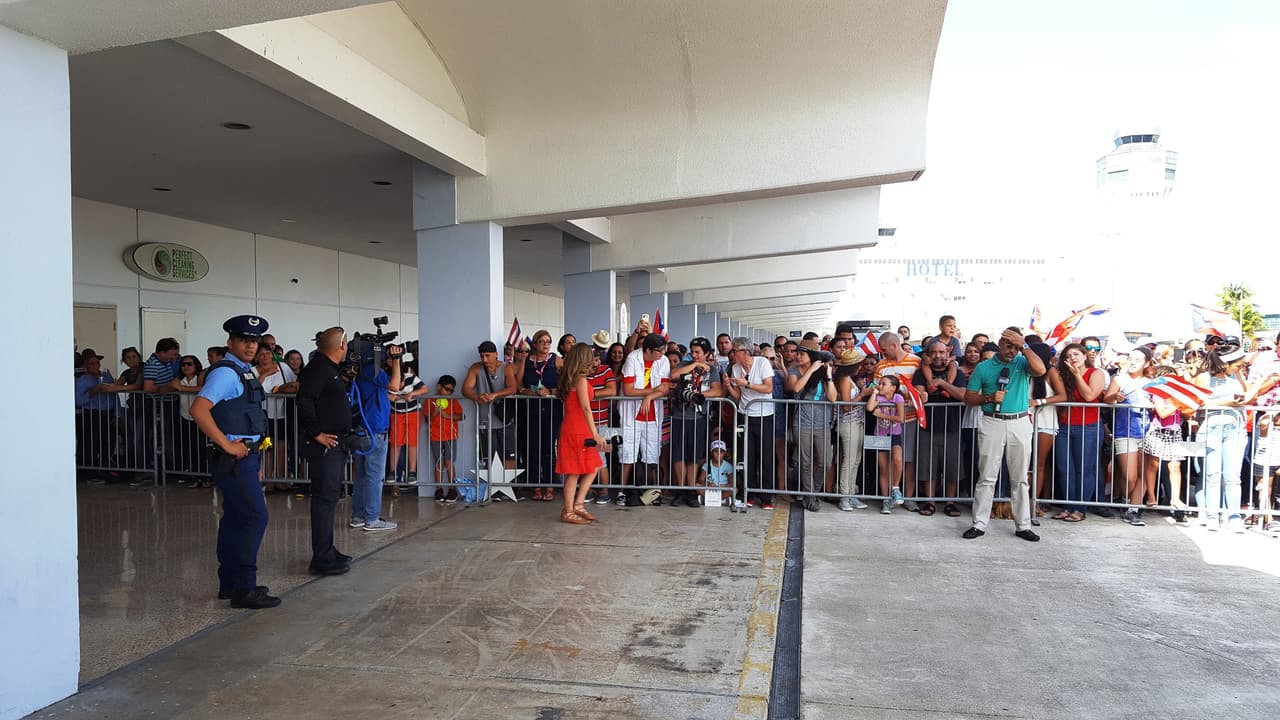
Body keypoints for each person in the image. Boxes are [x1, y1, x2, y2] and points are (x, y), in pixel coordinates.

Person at [188, 315, 280, 608]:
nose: (251, 346)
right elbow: (199, 409)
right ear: (231, 342)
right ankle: (244, 589)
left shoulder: (244, 371)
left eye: (254, 341)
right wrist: (226, 443)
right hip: (234, 458)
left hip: (245, 456)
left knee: (236, 518)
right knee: (255, 517)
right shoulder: (227, 373)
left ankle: (232, 584)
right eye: (244, 340)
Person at [962, 326, 1046, 541]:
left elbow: (1041, 370)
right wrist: (989, 398)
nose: (1012, 350)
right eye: (1008, 345)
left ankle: (1023, 525)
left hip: (1019, 421)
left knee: (1020, 478)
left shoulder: (1022, 361)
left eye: (1015, 346)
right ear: (999, 343)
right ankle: (979, 524)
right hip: (992, 421)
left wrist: (1024, 345)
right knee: (987, 476)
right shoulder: (984, 367)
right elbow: (969, 397)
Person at [295, 327, 355, 576]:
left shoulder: (328, 368)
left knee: (330, 499)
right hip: (324, 447)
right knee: (324, 500)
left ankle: (327, 549)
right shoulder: (318, 368)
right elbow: (304, 400)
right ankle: (321, 556)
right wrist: (316, 433)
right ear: (341, 346)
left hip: (336, 445)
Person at [351, 340, 404, 530]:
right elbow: (395, 385)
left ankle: (358, 516)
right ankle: (372, 519)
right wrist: (397, 361)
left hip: (362, 428)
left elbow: (382, 392)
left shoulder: (361, 371)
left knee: (362, 476)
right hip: (374, 430)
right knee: (375, 476)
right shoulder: (373, 371)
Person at [913, 340, 970, 517]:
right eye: (934, 352)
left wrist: (942, 384)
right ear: (928, 355)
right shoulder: (920, 373)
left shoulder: (957, 373)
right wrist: (925, 391)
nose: (937, 356)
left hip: (952, 425)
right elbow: (921, 394)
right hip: (927, 426)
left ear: (947, 353)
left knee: (953, 466)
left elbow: (962, 395)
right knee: (928, 465)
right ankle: (930, 501)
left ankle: (950, 502)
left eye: (941, 352)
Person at [1052, 343, 1107, 523]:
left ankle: (1080, 508)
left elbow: (1089, 396)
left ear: (1084, 356)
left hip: (1088, 426)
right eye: (1068, 356)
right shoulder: (1064, 375)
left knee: (1084, 469)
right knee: (1064, 468)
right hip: (1065, 426)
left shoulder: (1096, 373)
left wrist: (1077, 375)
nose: (1072, 358)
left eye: (1076, 354)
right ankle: (1068, 506)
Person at [1198, 344, 1249, 532]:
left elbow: (1247, 397)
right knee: (1212, 475)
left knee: (1233, 476)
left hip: (1235, 429)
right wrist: (1225, 402)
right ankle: (1213, 515)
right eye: (1237, 365)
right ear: (1227, 363)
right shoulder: (1205, 378)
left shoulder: (1237, 377)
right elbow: (1198, 403)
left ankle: (1233, 516)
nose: (1240, 368)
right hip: (1212, 428)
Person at [667, 337, 723, 507]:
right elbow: (674, 375)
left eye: (698, 352)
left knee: (693, 455)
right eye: (693, 352)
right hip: (679, 415)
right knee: (678, 454)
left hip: (698, 417)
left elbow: (717, 390)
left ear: (707, 353)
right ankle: (681, 489)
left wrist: (700, 397)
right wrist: (694, 366)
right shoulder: (684, 364)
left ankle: (691, 489)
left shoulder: (712, 370)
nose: (695, 355)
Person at [616, 333, 672, 505]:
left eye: (664, 350)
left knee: (652, 456)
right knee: (627, 455)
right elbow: (629, 391)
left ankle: (653, 492)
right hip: (631, 416)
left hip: (653, 416)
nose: (663, 353)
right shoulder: (633, 359)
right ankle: (621, 491)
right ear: (648, 350)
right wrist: (652, 392)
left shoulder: (663, 361)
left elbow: (665, 388)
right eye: (659, 350)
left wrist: (648, 398)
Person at [555, 344, 607, 524]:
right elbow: (586, 407)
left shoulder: (570, 379)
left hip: (575, 427)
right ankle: (569, 510)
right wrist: (595, 434)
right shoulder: (580, 381)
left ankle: (577, 505)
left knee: (591, 467)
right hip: (578, 429)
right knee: (575, 472)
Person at [723, 337, 776, 509]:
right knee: (747, 456)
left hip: (764, 415)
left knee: (765, 457)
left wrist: (748, 384)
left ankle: (767, 496)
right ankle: (748, 493)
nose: (732, 355)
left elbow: (768, 388)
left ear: (744, 352)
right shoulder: (735, 368)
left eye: (734, 351)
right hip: (744, 414)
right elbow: (738, 396)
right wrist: (729, 386)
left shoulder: (762, 363)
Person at [1105, 347, 1155, 524]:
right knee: (1130, 476)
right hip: (1124, 431)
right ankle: (1127, 502)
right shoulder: (1120, 379)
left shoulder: (1152, 382)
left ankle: (1133, 509)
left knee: (1144, 473)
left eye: (1138, 359)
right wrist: (1115, 397)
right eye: (1131, 358)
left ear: (1147, 363)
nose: (1133, 362)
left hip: (1148, 432)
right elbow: (1107, 398)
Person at [788, 341, 836, 512]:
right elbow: (796, 387)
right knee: (806, 462)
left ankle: (811, 493)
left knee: (826, 462)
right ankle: (810, 499)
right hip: (802, 422)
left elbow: (832, 397)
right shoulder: (794, 370)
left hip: (822, 424)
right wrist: (811, 370)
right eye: (797, 353)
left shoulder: (823, 374)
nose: (797, 356)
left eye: (802, 354)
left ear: (812, 356)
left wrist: (828, 376)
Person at [463, 340, 518, 473]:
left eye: (488, 355)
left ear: (496, 354)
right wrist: (477, 397)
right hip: (485, 422)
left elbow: (513, 388)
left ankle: (508, 486)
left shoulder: (506, 367)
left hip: (504, 419)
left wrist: (495, 395)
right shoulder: (476, 367)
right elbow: (466, 389)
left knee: (509, 455)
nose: (485, 359)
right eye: (482, 356)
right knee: (487, 457)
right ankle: (489, 488)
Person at [519, 329, 561, 501]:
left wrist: (550, 391)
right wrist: (524, 391)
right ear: (534, 344)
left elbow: (567, 385)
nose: (545, 345)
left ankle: (550, 485)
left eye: (548, 341)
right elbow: (518, 384)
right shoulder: (527, 361)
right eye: (542, 341)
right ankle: (535, 486)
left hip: (551, 408)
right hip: (532, 409)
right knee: (533, 447)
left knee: (549, 448)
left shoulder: (556, 360)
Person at [253, 343, 298, 489]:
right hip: (264, 414)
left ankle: (281, 479)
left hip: (282, 413)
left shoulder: (283, 367)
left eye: (268, 353)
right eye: (261, 354)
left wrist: (281, 390)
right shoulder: (252, 371)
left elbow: (293, 384)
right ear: (256, 357)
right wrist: (265, 373)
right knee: (266, 447)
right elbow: (254, 389)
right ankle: (267, 479)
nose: (265, 357)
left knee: (282, 446)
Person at [74, 351, 122, 480]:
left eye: (97, 363)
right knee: (92, 442)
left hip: (108, 413)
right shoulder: (82, 380)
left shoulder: (106, 376)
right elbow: (79, 400)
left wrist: (117, 414)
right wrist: (94, 390)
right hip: (92, 414)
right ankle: (92, 472)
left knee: (109, 441)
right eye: (92, 363)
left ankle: (106, 468)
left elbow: (114, 395)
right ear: (86, 365)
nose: (96, 366)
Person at [584, 332, 619, 505]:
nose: (594, 363)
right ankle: (588, 490)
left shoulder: (606, 370)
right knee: (585, 457)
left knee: (602, 457)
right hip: (584, 423)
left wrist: (589, 395)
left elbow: (611, 390)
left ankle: (604, 491)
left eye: (596, 359)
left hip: (602, 421)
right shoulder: (581, 373)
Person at [833, 347, 870, 511]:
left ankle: (850, 492)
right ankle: (844, 496)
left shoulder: (848, 378)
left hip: (857, 422)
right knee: (849, 460)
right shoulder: (845, 380)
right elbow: (846, 406)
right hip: (848, 423)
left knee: (856, 460)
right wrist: (863, 394)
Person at [388, 361, 429, 490]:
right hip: (396, 413)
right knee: (395, 442)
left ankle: (412, 471)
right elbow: (380, 392)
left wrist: (412, 394)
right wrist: (388, 396)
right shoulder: (385, 378)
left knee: (412, 442)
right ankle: (392, 471)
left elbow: (425, 389)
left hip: (412, 412)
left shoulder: (411, 377)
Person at [425, 375, 463, 503]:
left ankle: (452, 489)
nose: (449, 392)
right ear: (439, 387)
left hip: (450, 435)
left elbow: (462, 416)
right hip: (435, 435)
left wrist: (448, 416)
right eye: (446, 389)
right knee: (438, 463)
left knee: (449, 462)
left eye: (451, 390)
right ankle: (439, 489)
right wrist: (435, 413)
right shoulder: (430, 400)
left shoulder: (453, 400)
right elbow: (427, 419)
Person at [173, 354, 206, 478]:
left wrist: (181, 388)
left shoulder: (199, 377)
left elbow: (202, 389)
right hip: (184, 415)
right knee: (188, 447)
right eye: (183, 364)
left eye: (189, 364)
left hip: (199, 417)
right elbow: (167, 387)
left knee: (200, 448)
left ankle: (203, 475)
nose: (186, 366)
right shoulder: (179, 379)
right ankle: (192, 475)